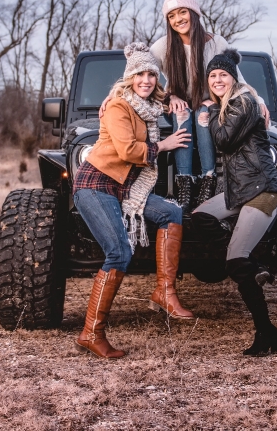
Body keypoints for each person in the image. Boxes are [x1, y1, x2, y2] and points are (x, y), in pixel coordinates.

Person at [100, 0, 269, 213]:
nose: (178, 19)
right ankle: (184, 185)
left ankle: (208, 181)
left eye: (182, 12)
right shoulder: (163, 46)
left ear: (194, 13)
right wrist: (115, 94)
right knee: (183, 112)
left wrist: (258, 102)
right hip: (178, 109)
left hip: (211, 109)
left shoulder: (216, 43)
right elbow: (139, 71)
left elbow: (236, 78)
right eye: (171, 16)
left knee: (202, 112)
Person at [73, 42, 194, 360]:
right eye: (139, 74)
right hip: (96, 185)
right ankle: (91, 333)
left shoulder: (149, 108)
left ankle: (164, 291)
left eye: (151, 74)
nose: (146, 79)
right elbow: (128, 151)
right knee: (119, 252)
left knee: (171, 212)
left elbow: (173, 99)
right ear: (129, 78)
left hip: (125, 188)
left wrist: (180, 101)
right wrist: (164, 146)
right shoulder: (117, 106)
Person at [191, 48, 277, 356]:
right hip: (239, 191)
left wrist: (206, 118)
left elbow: (224, 140)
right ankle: (253, 264)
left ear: (233, 78)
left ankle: (266, 332)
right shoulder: (229, 104)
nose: (217, 80)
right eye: (213, 76)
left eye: (223, 75)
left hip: (262, 191)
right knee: (201, 216)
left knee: (234, 262)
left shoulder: (243, 102)